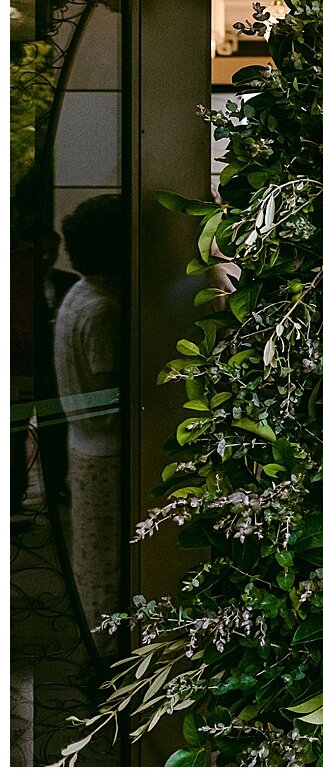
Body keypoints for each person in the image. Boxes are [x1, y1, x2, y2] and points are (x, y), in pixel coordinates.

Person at [53, 195, 125, 654]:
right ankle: (107, 656)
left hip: (83, 445)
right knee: (108, 561)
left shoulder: (80, 295)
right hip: (107, 451)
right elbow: (110, 386)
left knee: (92, 555)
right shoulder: (105, 311)